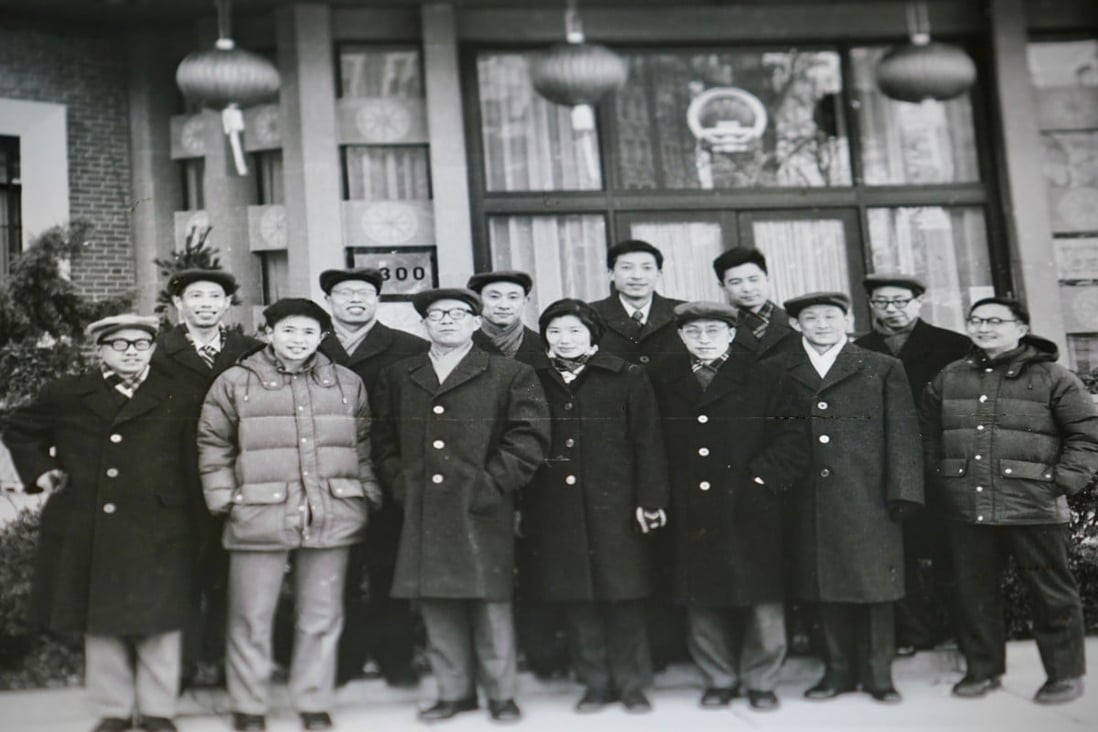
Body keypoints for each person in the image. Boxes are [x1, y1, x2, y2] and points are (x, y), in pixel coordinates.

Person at [2, 314, 200, 732]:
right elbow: (18, 426)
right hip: (91, 523)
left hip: (160, 524)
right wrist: (43, 471)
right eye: (120, 344)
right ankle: (113, 708)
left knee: (160, 618)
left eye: (141, 344)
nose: (131, 352)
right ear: (101, 349)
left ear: (152, 348)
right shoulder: (69, 393)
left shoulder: (179, 395)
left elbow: (194, 458)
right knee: (102, 616)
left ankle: (157, 710)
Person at [198, 298, 382, 732]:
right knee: (250, 616)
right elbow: (213, 443)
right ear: (268, 334)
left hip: (331, 510)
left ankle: (313, 702)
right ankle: (249, 706)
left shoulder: (346, 382)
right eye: (288, 331)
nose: (297, 340)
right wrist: (224, 496)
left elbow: (362, 444)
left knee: (321, 615)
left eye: (307, 332)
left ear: (322, 337)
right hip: (258, 511)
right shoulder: (235, 382)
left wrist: (367, 491)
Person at [371, 288, 550, 723]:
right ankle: (454, 692)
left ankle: (501, 694)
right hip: (423, 506)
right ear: (424, 324)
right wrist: (402, 483)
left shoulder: (510, 372)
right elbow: (382, 439)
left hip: (482, 506)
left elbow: (528, 439)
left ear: (475, 322)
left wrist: (491, 486)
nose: (447, 320)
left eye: (458, 313)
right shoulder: (399, 374)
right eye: (437, 315)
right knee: (436, 601)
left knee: (490, 601)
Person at [922, 297, 1097, 705]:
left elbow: (1086, 437)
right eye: (976, 320)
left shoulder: (1055, 378)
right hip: (968, 509)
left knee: (1051, 594)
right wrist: (942, 479)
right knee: (974, 593)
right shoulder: (950, 377)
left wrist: (1059, 483)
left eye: (995, 321)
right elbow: (928, 435)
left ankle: (1065, 675)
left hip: (1034, 508)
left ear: (1020, 327)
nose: (984, 328)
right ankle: (982, 671)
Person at [650, 302, 808, 712]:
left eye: (713, 331)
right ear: (681, 336)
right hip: (691, 505)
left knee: (762, 596)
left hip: (751, 504)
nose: (704, 339)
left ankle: (761, 681)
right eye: (695, 332)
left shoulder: (766, 375)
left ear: (732, 334)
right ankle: (718, 678)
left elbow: (793, 436)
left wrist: (760, 480)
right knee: (700, 595)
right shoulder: (663, 378)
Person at [523, 298, 670, 714]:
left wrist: (650, 499)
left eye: (573, 331)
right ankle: (595, 683)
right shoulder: (533, 378)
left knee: (624, 596)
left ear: (592, 334)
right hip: (557, 508)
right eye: (554, 331)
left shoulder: (626, 376)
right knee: (577, 598)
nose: (564, 340)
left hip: (617, 506)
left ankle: (632, 684)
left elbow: (648, 442)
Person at [779, 292, 923, 703]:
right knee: (822, 588)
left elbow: (903, 434)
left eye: (831, 316)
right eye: (811, 317)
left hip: (868, 496)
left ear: (847, 319)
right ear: (795, 325)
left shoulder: (881, 367)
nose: (822, 324)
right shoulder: (779, 369)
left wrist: (904, 491)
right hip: (807, 499)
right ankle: (836, 673)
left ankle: (879, 676)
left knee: (876, 589)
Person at [316, 267, 429, 688]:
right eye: (344, 293)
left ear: (377, 299)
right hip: (326, 478)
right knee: (334, 574)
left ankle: (396, 657)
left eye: (364, 292)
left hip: (388, 474)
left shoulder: (410, 348)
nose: (355, 300)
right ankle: (341, 661)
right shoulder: (311, 346)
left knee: (390, 571)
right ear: (329, 301)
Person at [151, 268, 263, 688]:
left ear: (227, 304)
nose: (205, 304)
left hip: (237, 476)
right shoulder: (158, 351)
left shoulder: (249, 350)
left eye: (214, 296)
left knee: (229, 574)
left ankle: (221, 662)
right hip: (175, 480)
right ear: (178, 304)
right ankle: (178, 667)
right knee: (180, 576)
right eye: (195, 296)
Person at [854, 272, 971, 656]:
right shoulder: (858, 349)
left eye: (901, 301)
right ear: (871, 305)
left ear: (919, 302)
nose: (893, 310)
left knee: (950, 552)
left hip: (942, 461)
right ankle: (913, 632)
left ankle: (962, 632)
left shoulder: (953, 345)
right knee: (897, 551)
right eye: (883, 302)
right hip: (886, 467)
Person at [467, 270, 566, 680]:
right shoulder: (463, 346)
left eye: (513, 296)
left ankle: (542, 652)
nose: (503, 304)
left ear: (525, 302)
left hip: (540, 471)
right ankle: (486, 660)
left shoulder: (547, 348)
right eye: (494, 296)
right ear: (479, 303)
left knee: (539, 564)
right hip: (481, 476)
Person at [588, 239, 686, 368]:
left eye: (646, 268)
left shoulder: (682, 312)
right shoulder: (590, 315)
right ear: (611, 274)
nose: (637, 276)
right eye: (626, 267)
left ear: (658, 274)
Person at [712, 248, 798, 361]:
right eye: (736, 282)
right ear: (723, 287)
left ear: (767, 279)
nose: (747, 289)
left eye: (753, 280)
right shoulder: (718, 328)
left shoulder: (796, 323)